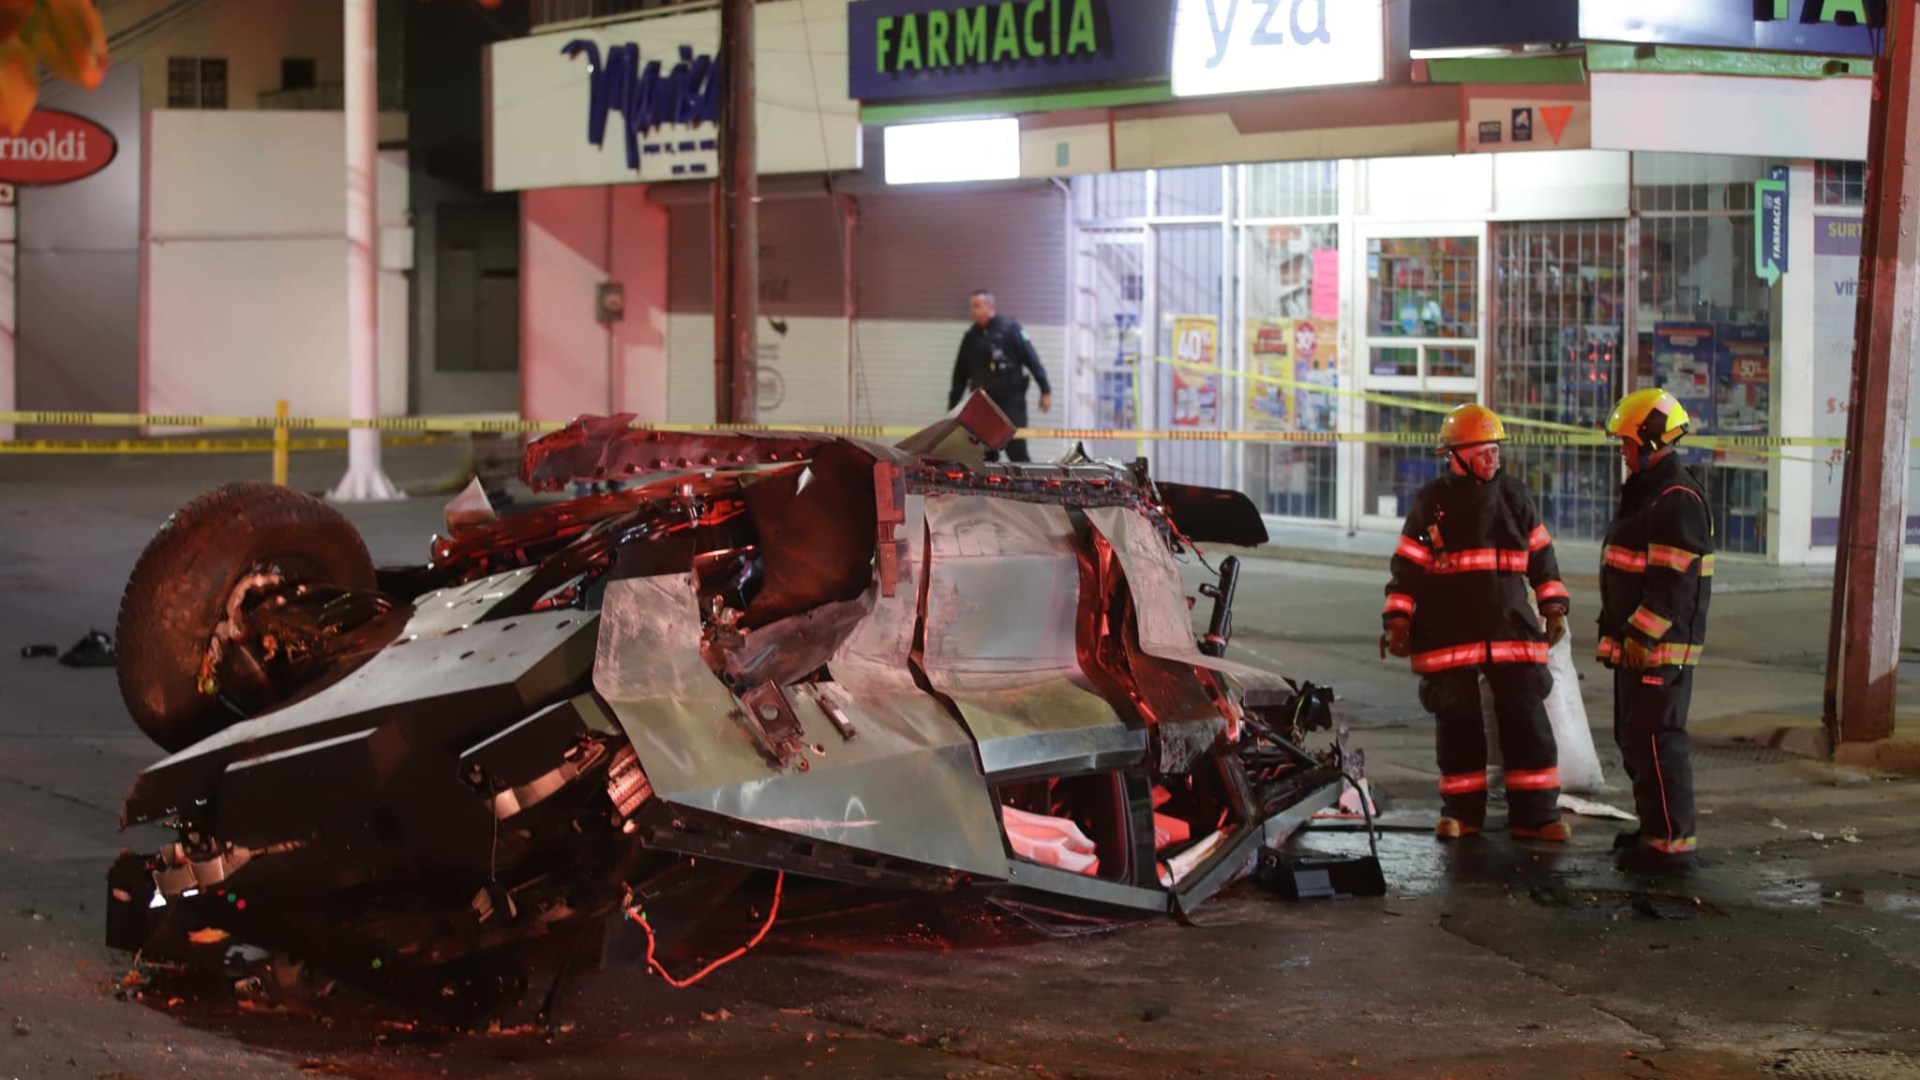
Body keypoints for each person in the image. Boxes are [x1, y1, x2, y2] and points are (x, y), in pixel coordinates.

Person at [1381, 403, 1572, 842]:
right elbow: (1406, 568)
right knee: (1458, 723)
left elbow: (1543, 559)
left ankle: (1537, 815)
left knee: (1527, 720)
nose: (1494, 458)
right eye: (1483, 451)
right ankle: (1461, 815)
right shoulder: (1432, 504)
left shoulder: (1515, 498)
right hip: (1450, 633)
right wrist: (1397, 620)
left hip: (1510, 631)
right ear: (1456, 456)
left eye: (1495, 450)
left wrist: (1554, 608)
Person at [1598, 388, 1713, 871]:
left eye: (1627, 443)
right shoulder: (1649, 493)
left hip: (1659, 649)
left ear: (1649, 442)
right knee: (1635, 738)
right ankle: (1654, 830)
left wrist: (1643, 636)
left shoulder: (1675, 498)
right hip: (1638, 646)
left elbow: (1672, 583)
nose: (1622, 452)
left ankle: (1669, 845)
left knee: (1657, 740)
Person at [949, 289, 1052, 463]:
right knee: (983, 456)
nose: (972, 311)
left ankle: (1026, 489)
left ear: (990, 307)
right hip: (982, 406)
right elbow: (960, 374)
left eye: (977, 306)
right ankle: (987, 490)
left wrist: (1045, 390)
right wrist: (953, 408)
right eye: (971, 307)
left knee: (1017, 453)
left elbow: (1032, 360)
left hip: (1010, 403)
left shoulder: (1011, 330)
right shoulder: (971, 338)